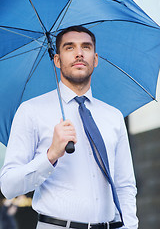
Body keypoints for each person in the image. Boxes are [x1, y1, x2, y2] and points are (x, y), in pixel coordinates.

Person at [0, 26, 138, 229]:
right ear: (57, 60)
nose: (79, 53)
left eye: (86, 47)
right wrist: (50, 155)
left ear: (95, 58)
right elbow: (8, 186)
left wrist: (131, 226)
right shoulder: (31, 111)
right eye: (69, 47)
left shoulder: (113, 116)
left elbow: (125, 184)